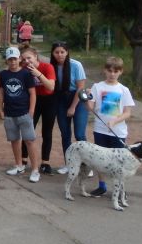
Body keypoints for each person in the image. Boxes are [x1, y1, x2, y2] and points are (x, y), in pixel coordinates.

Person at [86, 56, 135, 197]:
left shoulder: (123, 90)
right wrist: (87, 97)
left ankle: (120, 189)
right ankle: (101, 186)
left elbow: (127, 113)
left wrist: (115, 121)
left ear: (121, 72)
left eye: (116, 71)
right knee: (100, 159)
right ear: (105, 70)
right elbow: (90, 108)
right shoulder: (97, 87)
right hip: (100, 130)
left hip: (118, 132)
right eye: (110, 71)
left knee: (119, 162)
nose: (112, 74)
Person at [0, 47, 39, 182]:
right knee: (14, 140)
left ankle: (35, 169)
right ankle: (19, 165)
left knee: (29, 140)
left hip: (24, 112)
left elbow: (32, 93)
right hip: (10, 113)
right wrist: (0, 109)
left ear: (19, 59)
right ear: (6, 60)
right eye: (10, 59)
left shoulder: (26, 74)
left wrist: (31, 110)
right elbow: (1, 92)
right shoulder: (3, 74)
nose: (13, 62)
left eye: (15, 59)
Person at [50, 41, 88, 174]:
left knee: (79, 134)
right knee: (65, 134)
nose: (60, 55)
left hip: (77, 99)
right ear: (52, 53)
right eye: (57, 52)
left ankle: (85, 165)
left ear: (67, 52)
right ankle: (69, 164)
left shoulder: (76, 65)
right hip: (61, 99)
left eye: (62, 52)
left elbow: (80, 88)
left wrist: (72, 107)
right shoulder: (52, 66)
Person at [19, 46, 56, 174]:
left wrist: (38, 74)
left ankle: (45, 162)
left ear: (35, 56)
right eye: (24, 59)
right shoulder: (24, 70)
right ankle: (23, 159)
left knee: (47, 131)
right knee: (28, 130)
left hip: (49, 100)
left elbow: (51, 87)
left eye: (29, 58)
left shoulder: (47, 67)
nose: (27, 61)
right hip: (33, 101)